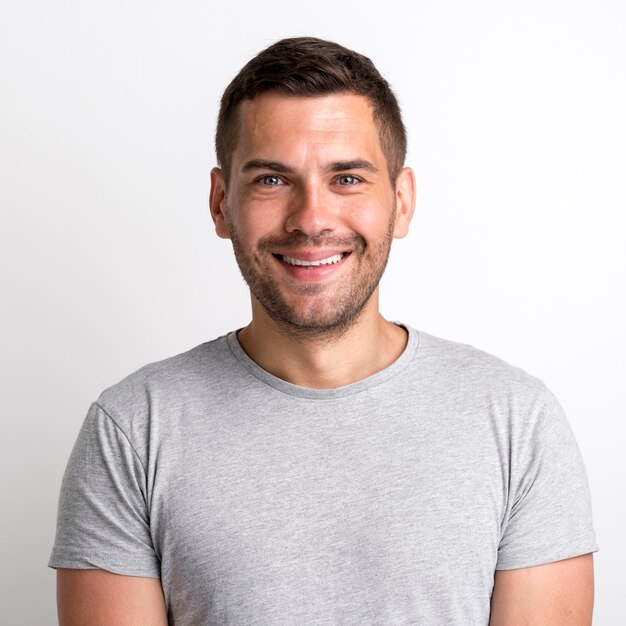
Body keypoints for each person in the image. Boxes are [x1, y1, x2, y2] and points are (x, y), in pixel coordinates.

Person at [49, 37, 598, 625]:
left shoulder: (516, 422)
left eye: (348, 179)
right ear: (219, 202)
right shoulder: (133, 429)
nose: (311, 218)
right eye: (271, 180)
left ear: (402, 201)